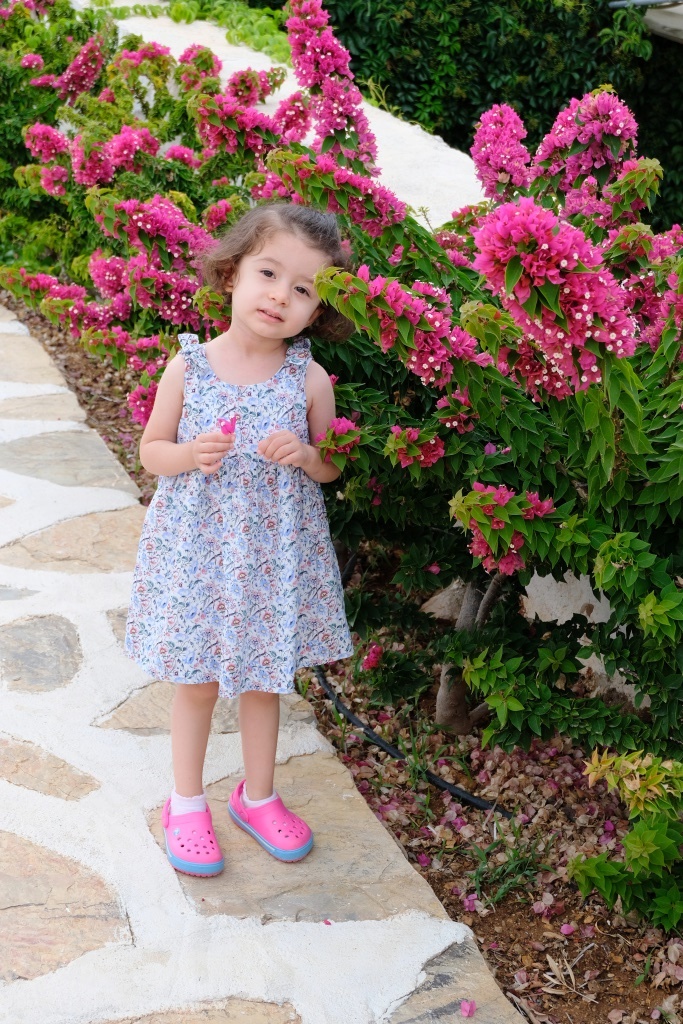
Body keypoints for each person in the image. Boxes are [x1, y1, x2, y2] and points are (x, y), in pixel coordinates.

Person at [125, 203, 355, 876]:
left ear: (317, 310)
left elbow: (332, 466)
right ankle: (186, 802)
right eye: (268, 274)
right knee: (197, 682)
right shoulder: (189, 367)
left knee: (262, 682)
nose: (280, 296)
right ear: (231, 274)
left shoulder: (308, 379)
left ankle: (257, 797)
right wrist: (189, 453)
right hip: (199, 553)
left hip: (270, 559)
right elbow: (150, 450)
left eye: (303, 288)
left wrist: (307, 456)